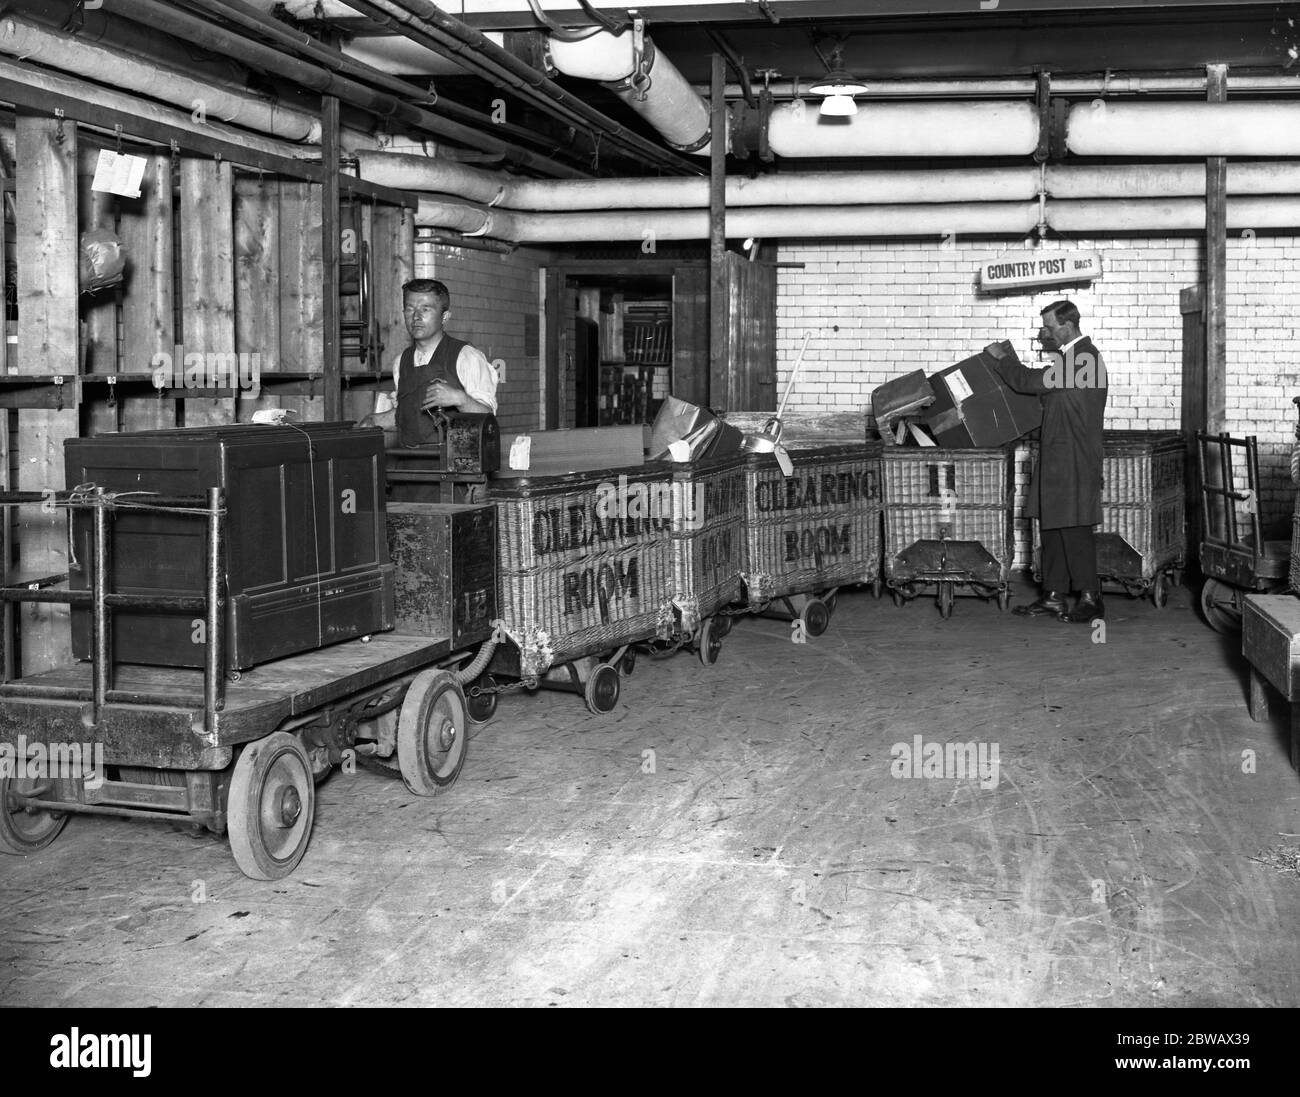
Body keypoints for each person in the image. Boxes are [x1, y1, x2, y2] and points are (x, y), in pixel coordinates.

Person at [990, 299, 1108, 624]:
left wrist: (1002, 361)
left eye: (1049, 327)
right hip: (1058, 456)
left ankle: (1090, 598)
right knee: (1052, 527)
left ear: (1067, 327)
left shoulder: (1085, 358)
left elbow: (1031, 382)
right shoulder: (1072, 359)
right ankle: (1053, 596)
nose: (1044, 333)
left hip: (1074, 458)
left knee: (1075, 527)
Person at [363, 278, 498, 447]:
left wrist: (461, 399)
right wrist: (374, 420)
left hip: (454, 467)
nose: (416, 317)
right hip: (411, 466)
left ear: (445, 317)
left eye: (425, 309)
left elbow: (488, 420)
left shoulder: (466, 357)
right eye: (410, 309)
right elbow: (408, 414)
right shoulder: (402, 361)